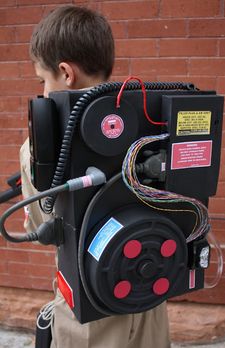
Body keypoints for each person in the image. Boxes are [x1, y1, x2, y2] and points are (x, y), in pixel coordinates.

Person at [20, 5, 170, 348]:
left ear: (65, 72)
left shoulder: (39, 146)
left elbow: (41, 229)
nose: (43, 91)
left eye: (43, 80)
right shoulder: (151, 122)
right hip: (147, 290)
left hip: (87, 307)